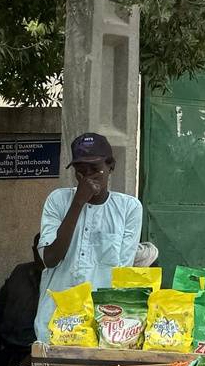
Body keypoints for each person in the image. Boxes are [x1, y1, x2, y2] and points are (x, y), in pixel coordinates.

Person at [35, 132, 144, 346]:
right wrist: (78, 202)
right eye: (81, 172)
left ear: (111, 166)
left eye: (95, 170)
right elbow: (50, 258)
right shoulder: (58, 200)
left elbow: (121, 272)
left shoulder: (129, 208)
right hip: (55, 323)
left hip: (103, 328)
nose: (88, 177)